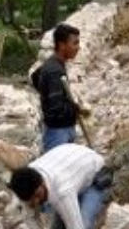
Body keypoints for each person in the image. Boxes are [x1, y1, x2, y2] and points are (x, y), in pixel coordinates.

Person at [31, 24, 88, 152]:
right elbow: (56, 110)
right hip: (58, 134)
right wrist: (76, 108)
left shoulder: (54, 64)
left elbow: (35, 76)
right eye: (75, 43)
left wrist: (45, 92)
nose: (78, 47)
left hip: (59, 132)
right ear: (62, 45)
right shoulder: (54, 70)